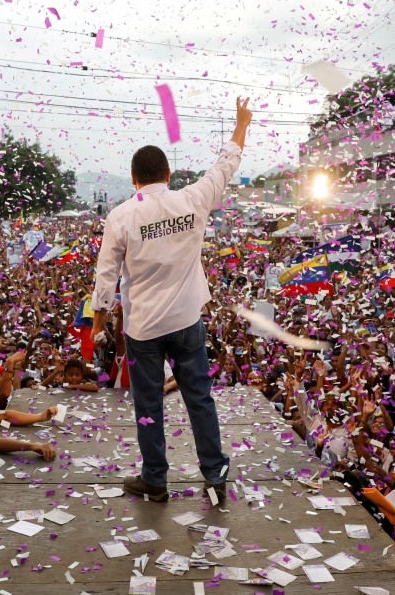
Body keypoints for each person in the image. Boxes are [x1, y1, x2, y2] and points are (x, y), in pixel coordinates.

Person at [90, 96, 252, 503]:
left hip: (143, 328)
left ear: (134, 179)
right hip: (185, 321)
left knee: (148, 404)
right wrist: (241, 124)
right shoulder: (192, 199)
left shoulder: (121, 216)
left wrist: (98, 323)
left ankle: (155, 480)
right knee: (199, 398)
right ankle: (214, 474)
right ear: (168, 174)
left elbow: (106, 276)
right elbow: (224, 165)